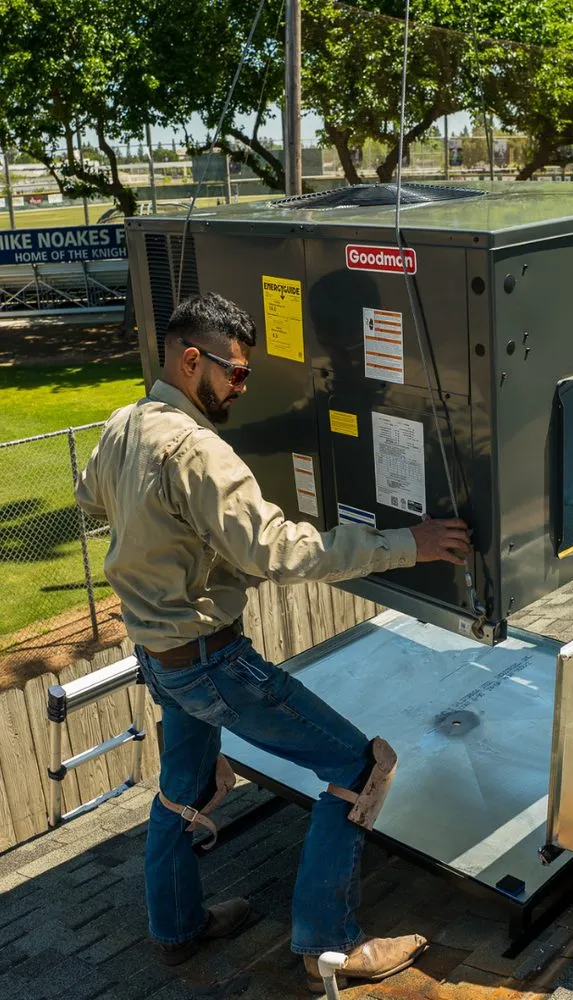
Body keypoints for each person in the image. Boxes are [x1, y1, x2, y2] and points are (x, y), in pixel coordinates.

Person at [74, 292, 472, 993]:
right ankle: (331, 944)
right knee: (360, 765)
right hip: (210, 660)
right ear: (191, 358)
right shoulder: (197, 447)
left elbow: (89, 497)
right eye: (235, 373)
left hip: (156, 656)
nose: (242, 387)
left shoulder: (123, 425)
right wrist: (408, 543)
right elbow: (279, 553)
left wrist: (178, 537)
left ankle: (175, 930)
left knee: (183, 789)